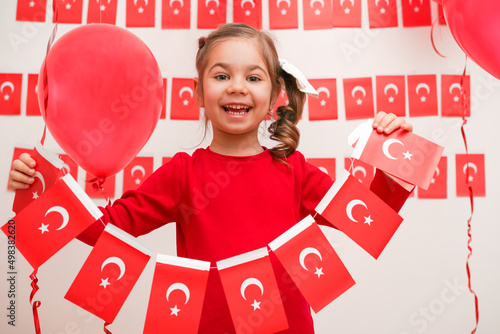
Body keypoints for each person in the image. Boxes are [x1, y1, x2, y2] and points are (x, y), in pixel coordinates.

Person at [9, 23, 413, 334]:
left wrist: (393, 156)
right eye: (221, 76)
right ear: (199, 93)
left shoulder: (295, 171)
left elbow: (368, 215)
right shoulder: (182, 174)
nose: (237, 87)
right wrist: (40, 190)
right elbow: (106, 228)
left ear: (274, 96)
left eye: (253, 78)